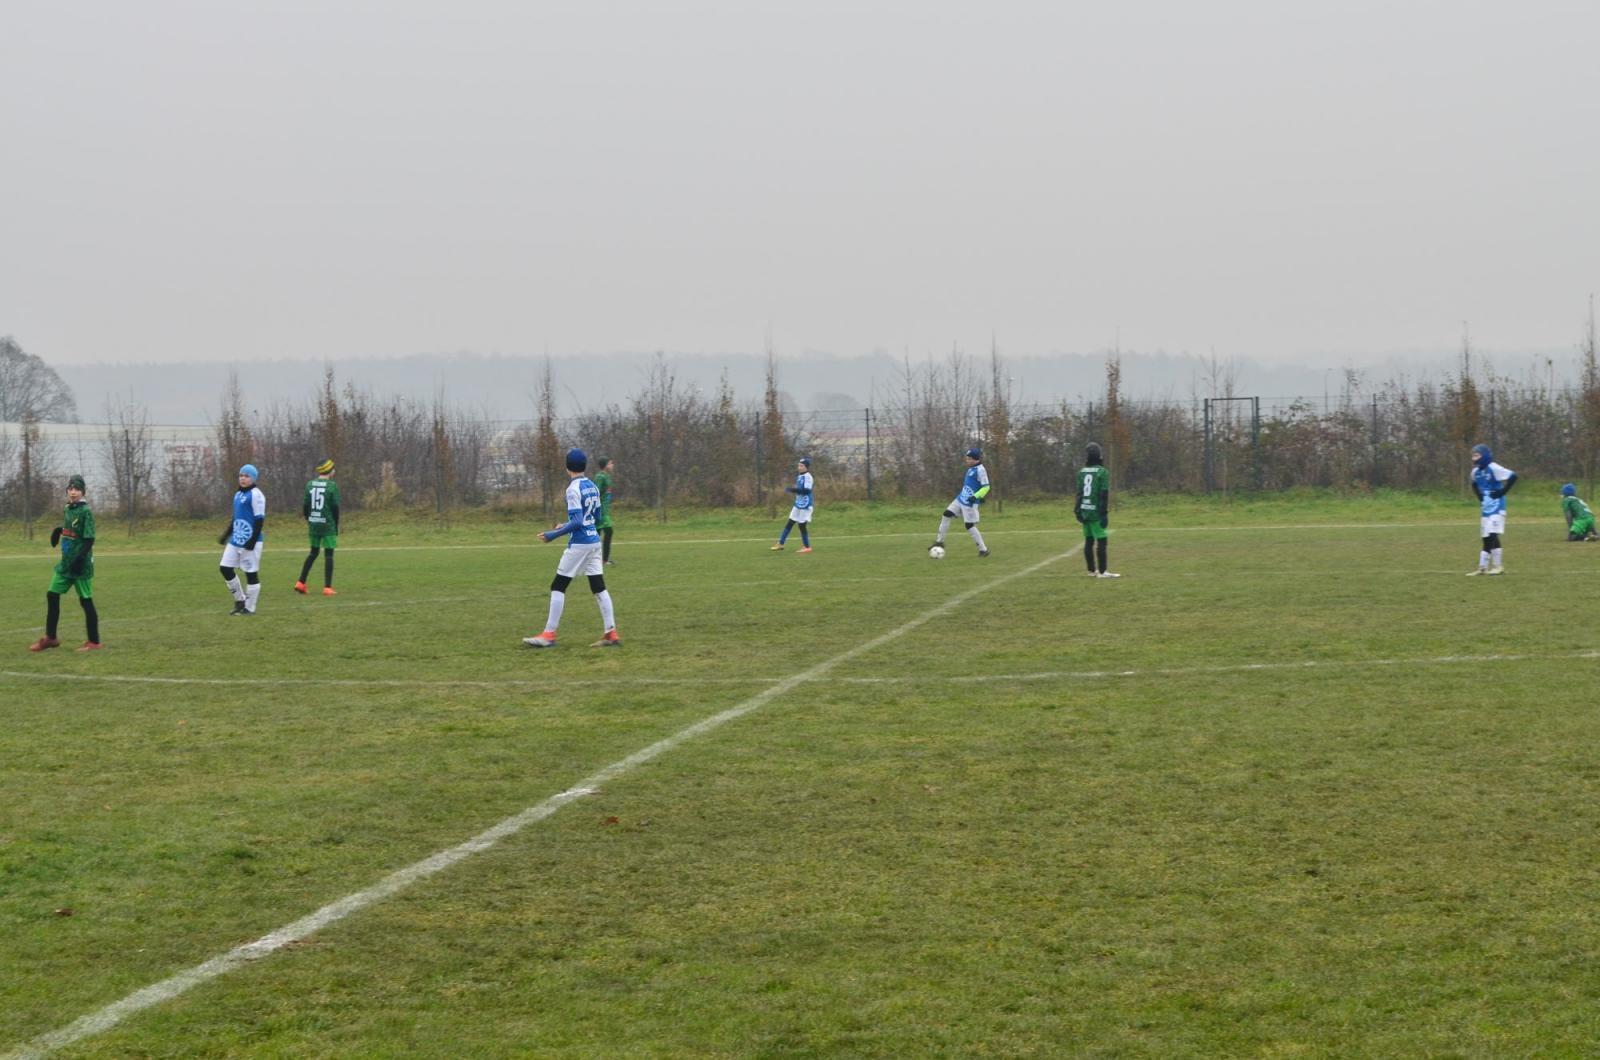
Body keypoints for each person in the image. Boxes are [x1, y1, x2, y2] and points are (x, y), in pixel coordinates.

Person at [524, 448, 621, 648]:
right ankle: (611, 633)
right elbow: (596, 518)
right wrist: (566, 524)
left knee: (558, 585)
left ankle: (548, 635)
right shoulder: (592, 486)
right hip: (594, 542)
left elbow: (577, 521)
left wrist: (553, 535)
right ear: (584, 466)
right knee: (598, 586)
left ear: (567, 467)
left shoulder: (573, 489)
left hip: (580, 544)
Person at [30, 474, 101, 651]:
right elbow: (72, 529)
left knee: (86, 600)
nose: (73, 492)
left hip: (80, 565)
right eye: (70, 488)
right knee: (52, 594)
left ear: (83, 491)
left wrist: (80, 558)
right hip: (66, 563)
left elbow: (89, 539)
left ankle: (94, 642)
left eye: (77, 489)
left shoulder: (86, 511)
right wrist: (59, 530)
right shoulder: (68, 508)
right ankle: (51, 638)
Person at [219, 463, 266, 613]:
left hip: (250, 540)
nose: (243, 478)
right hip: (236, 539)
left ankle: (250, 608)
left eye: (246, 476)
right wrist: (226, 535)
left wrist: (252, 541)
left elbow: (259, 520)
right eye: (241, 475)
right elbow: (235, 518)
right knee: (225, 568)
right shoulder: (238, 494)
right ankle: (240, 600)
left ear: (253, 478)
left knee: (250, 573)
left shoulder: (256, 495)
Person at [932, 447, 991, 557]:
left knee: (969, 526)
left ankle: (983, 550)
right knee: (946, 514)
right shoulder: (971, 468)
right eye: (966, 458)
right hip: (961, 499)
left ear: (975, 459)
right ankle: (940, 541)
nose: (967, 460)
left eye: (969, 458)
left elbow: (986, 486)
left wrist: (977, 496)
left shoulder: (981, 470)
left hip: (970, 503)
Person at [1467, 443, 1516, 575]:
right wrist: (1480, 497)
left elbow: (1513, 476)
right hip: (1486, 509)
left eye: (1477, 455)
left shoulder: (1493, 468)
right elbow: (1474, 484)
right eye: (1472, 455)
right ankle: (1497, 567)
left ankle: (1482, 567)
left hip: (1498, 507)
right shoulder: (1475, 472)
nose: (1474, 458)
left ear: (1485, 455)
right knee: (1486, 536)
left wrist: (1502, 492)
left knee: (1491, 535)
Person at [296, 458, 342, 595]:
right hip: (327, 524)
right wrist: (336, 524)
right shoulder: (332, 486)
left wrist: (308, 519)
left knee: (313, 553)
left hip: (314, 523)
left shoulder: (310, 484)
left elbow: (305, 506)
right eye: (333, 468)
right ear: (329, 470)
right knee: (329, 554)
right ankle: (327, 587)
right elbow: (335, 508)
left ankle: (300, 582)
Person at [1074, 442, 1119, 578]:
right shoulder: (1102, 472)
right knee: (1102, 540)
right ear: (1098, 455)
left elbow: (1079, 493)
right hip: (1095, 511)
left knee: (1088, 541)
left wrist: (1077, 510)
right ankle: (1103, 571)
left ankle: (1091, 570)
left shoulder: (1081, 472)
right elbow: (1103, 494)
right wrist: (1104, 512)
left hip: (1084, 510)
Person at [771, 456, 815, 552]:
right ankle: (781, 543)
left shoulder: (808, 477)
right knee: (790, 523)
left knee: (801, 525)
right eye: (799, 465)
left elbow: (807, 491)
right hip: (798, 503)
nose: (799, 467)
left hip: (805, 504)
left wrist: (793, 489)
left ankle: (807, 547)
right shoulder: (800, 476)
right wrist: (794, 490)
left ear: (806, 467)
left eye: (801, 466)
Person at [594, 457, 616, 565]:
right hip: (600, 510)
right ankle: (601, 560)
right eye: (611, 463)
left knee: (599, 533)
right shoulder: (600, 476)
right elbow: (596, 492)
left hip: (605, 510)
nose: (612, 465)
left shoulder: (607, 476)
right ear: (605, 465)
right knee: (605, 532)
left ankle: (602, 559)